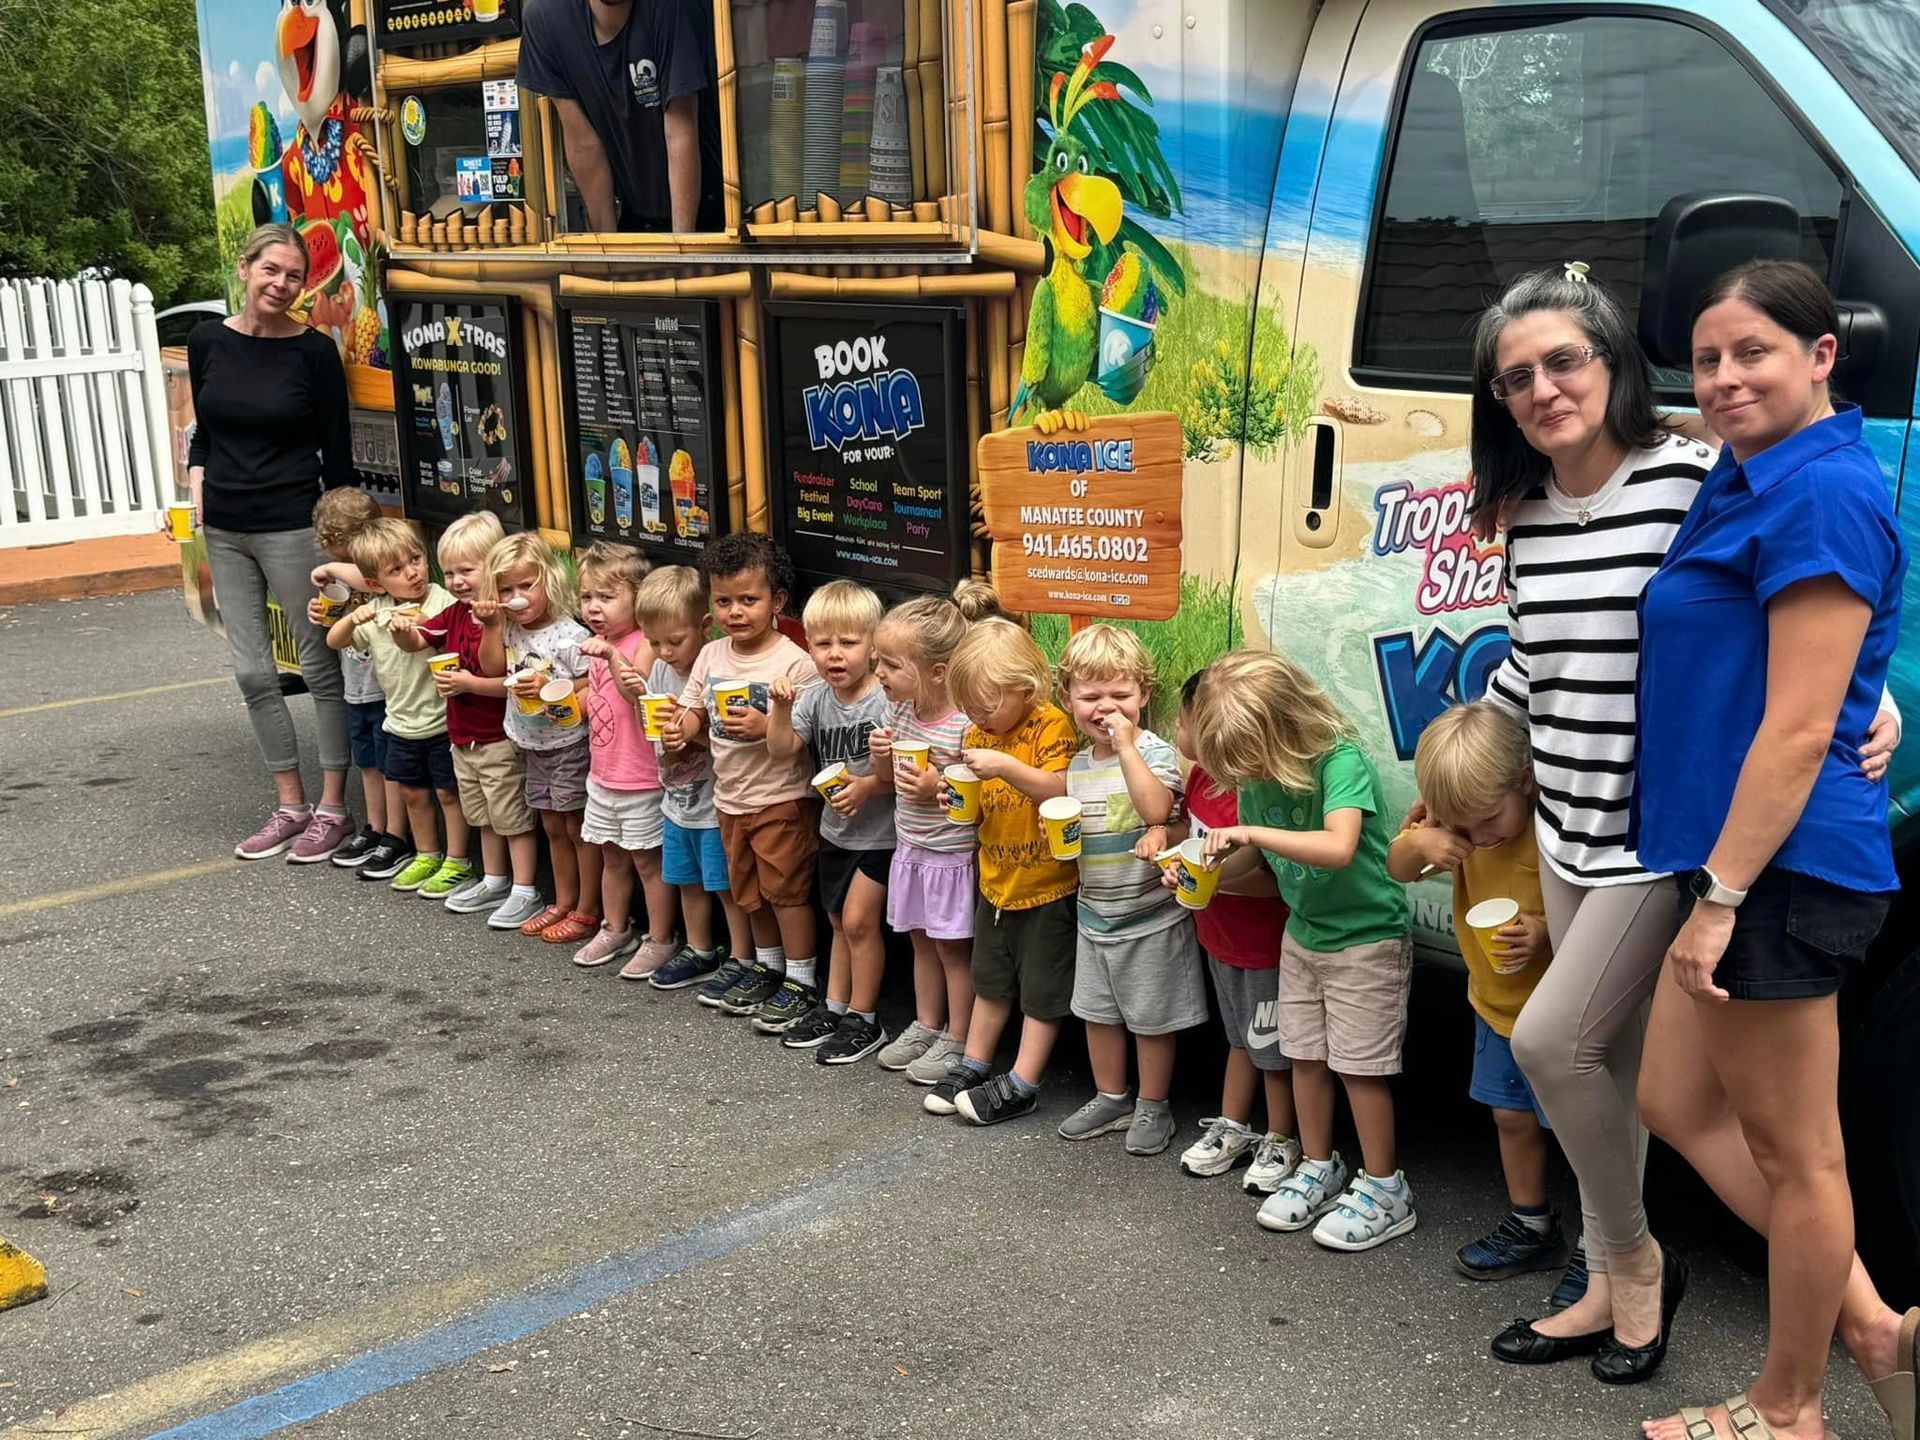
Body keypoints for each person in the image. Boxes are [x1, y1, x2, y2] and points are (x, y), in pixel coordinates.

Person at [1466, 265, 1900, 1380]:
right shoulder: (1524, 516)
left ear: (1614, 366)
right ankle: (1617, 1279)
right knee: (1616, 1077)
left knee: (1554, 1043)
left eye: (1566, 361)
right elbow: (1538, 662)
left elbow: (1793, 612)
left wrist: (1875, 697)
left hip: (1652, 841)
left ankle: (1635, 1262)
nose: (1544, 389)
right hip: (1564, 818)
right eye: (1517, 377)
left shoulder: (1693, 475)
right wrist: (1466, 752)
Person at [1630, 261, 1920, 1440]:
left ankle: (1788, 1405)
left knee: (1802, 1159)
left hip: (1781, 872)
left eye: (1752, 350)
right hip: (1735, 861)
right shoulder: (1747, 478)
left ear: (1821, 356)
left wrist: (1721, 899)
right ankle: (1874, 1328)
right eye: (1706, 359)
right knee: (1671, 1098)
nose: (1725, 376)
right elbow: (1806, 667)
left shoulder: (1820, 491)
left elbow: (1801, 726)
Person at [1191, 650, 1416, 1251]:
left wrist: (1250, 833)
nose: (1248, 774)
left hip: (1366, 939)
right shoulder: (1256, 779)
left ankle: (1386, 1187)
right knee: (1306, 1058)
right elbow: (1258, 864)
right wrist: (1205, 872)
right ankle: (1319, 1163)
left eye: (1251, 758)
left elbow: (1339, 846)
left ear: (1286, 725)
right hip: (1305, 933)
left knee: (1358, 1068)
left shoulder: (1341, 760)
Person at [186, 223, 356, 863]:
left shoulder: (313, 354)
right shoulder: (207, 340)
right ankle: (291, 804)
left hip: (292, 524)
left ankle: (334, 808)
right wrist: (198, 484)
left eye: (294, 276)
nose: (281, 285)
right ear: (245, 267)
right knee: (253, 670)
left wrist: (340, 552)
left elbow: (336, 461)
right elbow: (205, 430)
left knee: (320, 666)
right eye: (271, 271)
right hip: (224, 529)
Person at [1388, 702, 1566, 1281]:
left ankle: (1605, 1240)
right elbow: (1398, 868)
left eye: (1487, 820)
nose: (1477, 837)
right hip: (1493, 1008)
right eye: (1460, 824)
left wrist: (1544, 933)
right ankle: (1530, 1222)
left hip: (1559, 1015)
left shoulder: (1549, 831)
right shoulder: (1460, 831)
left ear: (1526, 780)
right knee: (1510, 1118)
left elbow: (1603, 917)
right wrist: (1421, 844)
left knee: (1583, 1133)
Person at [1053, 625, 1206, 1158]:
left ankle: (1154, 1103)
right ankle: (1111, 1095)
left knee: (1151, 1017)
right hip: (1095, 912)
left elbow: (1156, 810)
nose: (1106, 708)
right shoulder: (1076, 765)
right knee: (1098, 1012)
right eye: (1091, 696)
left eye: (1120, 696)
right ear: (1068, 698)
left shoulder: (1153, 753)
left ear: (1144, 695)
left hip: (1150, 916)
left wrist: (1125, 749)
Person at [929, 620, 1078, 1126]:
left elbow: (1058, 790)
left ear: (1027, 689)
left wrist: (1005, 766)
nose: (977, 718)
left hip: (1046, 884)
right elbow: (982, 806)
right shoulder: (977, 732)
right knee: (990, 980)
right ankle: (973, 1063)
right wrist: (956, 799)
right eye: (969, 708)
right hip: (995, 882)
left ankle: (1024, 1081)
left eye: (986, 707)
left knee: (1041, 991)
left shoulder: (1050, 725)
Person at [672, 533, 821, 1018]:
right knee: (751, 893)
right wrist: (683, 728)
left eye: (749, 600)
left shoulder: (795, 662)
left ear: (776, 601)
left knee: (786, 893)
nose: (735, 612)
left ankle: (801, 978)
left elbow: (806, 732)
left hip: (781, 797)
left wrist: (765, 725)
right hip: (730, 797)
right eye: (723, 601)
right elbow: (694, 707)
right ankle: (766, 967)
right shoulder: (713, 655)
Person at [1166, 671, 1301, 1194]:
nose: (1178, 732)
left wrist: (1217, 880)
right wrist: (1170, 848)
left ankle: (1283, 1135)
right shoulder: (1201, 779)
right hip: (1218, 936)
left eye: (1182, 723)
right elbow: (1189, 834)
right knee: (1240, 1040)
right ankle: (1234, 1125)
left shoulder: (1253, 799)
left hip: (1260, 943)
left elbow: (1276, 882)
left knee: (1272, 1047)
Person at [767, 580, 896, 1063]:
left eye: (848, 643)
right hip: (835, 831)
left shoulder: (886, 700)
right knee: (840, 922)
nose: (834, 655)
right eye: (823, 644)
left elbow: (907, 769)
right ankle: (836, 1005)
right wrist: (780, 708)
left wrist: (871, 785)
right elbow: (782, 750)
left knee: (862, 922)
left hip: (884, 834)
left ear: (873, 646)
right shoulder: (817, 697)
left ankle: (865, 1018)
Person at [405, 513, 546, 927]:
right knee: (482, 814)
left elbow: (503, 678)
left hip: (497, 736)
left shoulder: (503, 619)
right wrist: (399, 628)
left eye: (467, 570)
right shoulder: (452, 614)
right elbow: (416, 640)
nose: (457, 581)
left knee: (511, 817)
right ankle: (494, 878)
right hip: (462, 736)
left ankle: (525, 889)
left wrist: (467, 682)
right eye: (448, 572)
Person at [324, 519, 472, 897]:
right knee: (412, 793)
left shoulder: (443, 601)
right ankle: (425, 854)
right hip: (400, 723)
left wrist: (426, 624)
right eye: (397, 570)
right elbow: (334, 640)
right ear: (375, 584)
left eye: (416, 559)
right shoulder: (375, 612)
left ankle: (457, 860)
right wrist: (352, 618)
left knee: (448, 793)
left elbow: (459, 640)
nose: (413, 573)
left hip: (442, 720)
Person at [867, 595, 978, 1085]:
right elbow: (887, 780)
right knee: (920, 942)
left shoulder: (965, 723)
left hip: (952, 855)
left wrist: (939, 784)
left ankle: (959, 1035)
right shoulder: (902, 713)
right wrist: (878, 756)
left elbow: (975, 794)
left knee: (953, 949)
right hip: (911, 847)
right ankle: (926, 1023)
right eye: (878, 661)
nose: (880, 673)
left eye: (891, 664)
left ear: (937, 671)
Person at [478, 532, 600, 944]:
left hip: (567, 744)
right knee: (552, 826)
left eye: (526, 586)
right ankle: (563, 901)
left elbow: (590, 688)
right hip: (532, 745)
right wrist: (492, 627)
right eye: (506, 589)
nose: (517, 597)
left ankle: (587, 908)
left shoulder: (570, 636)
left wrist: (552, 688)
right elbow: (492, 668)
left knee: (575, 826)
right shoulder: (510, 629)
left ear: (548, 580)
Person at [638, 565, 753, 993]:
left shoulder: (713, 671)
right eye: (654, 643)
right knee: (686, 879)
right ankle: (700, 948)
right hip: (675, 800)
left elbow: (723, 739)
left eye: (674, 641)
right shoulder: (662, 672)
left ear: (704, 627)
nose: (665, 652)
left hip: (713, 801)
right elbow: (651, 728)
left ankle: (742, 956)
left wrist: (691, 732)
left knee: (726, 886)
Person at [517, 0, 723, 233]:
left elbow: (679, 130)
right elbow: (584, 145)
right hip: (635, 214)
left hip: (712, 210)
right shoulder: (545, 17)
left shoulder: (671, 7)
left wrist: (683, 248)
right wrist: (608, 248)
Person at [573, 543, 680, 975]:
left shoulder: (642, 645)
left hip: (641, 776)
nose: (594, 608)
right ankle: (615, 927)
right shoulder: (597, 643)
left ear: (638, 599)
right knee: (611, 855)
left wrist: (614, 656)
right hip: (602, 773)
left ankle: (661, 938)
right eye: (587, 598)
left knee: (647, 862)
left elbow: (633, 691)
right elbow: (592, 700)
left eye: (606, 597)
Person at [307, 488, 408, 874]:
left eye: (349, 557)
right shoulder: (346, 573)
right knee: (367, 760)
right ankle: (375, 825)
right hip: (356, 684)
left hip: (385, 687)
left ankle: (397, 834)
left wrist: (334, 570)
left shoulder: (380, 571)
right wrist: (320, 610)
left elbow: (371, 580)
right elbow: (344, 604)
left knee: (390, 763)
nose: (343, 565)